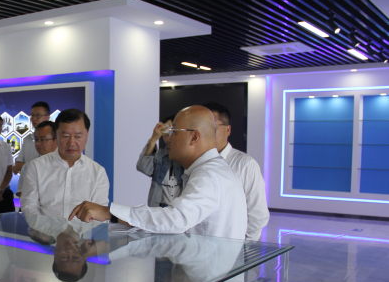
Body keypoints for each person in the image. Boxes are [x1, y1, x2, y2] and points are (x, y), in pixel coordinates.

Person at [70, 106, 247, 241]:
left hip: (210, 277)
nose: (169, 139)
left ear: (194, 137)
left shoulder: (208, 175)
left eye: (174, 132)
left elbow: (175, 219)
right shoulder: (212, 170)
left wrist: (110, 212)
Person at [21, 109, 109, 218]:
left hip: (83, 229)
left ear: (87, 135)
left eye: (78, 137)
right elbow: (29, 207)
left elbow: (100, 213)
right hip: (45, 229)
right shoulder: (36, 167)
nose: (71, 143)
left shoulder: (98, 172)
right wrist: (45, 228)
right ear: (56, 135)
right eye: (66, 136)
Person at [203, 102, 270, 241]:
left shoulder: (245, 164)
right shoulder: (194, 162)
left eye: (211, 127)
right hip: (197, 245)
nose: (205, 132)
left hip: (230, 246)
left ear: (227, 130)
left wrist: (244, 245)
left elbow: (258, 214)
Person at [136, 114, 184, 207]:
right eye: (167, 129)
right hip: (159, 207)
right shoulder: (160, 156)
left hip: (180, 208)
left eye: (173, 130)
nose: (170, 134)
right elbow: (143, 167)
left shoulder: (187, 156)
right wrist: (153, 139)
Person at [13, 101, 51, 196]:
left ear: (47, 117)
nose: (34, 119)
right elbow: (17, 166)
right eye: (32, 115)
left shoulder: (55, 139)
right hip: (28, 191)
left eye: (38, 115)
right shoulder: (27, 139)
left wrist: (26, 166)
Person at [16, 120, 58, 196]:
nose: (38, 143)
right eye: (36, 139)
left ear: (56, 140)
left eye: (42, 140)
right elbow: (23, 195)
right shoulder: (29, 166)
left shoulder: (67, 165)